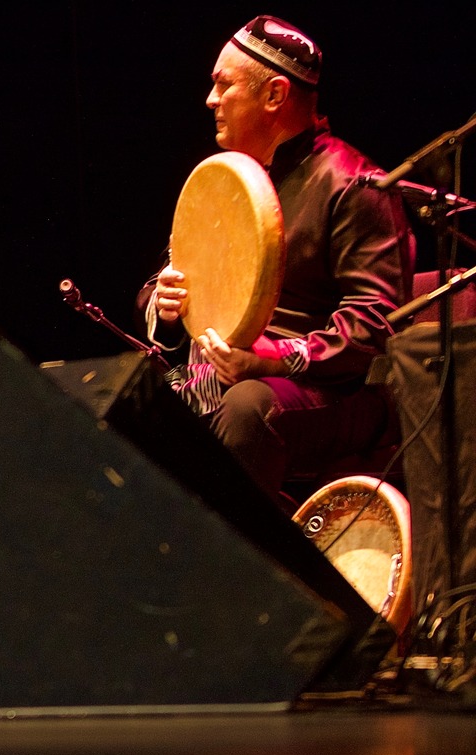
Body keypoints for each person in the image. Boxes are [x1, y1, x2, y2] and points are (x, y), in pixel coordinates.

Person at [142, 16, 411, 499]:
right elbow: (156, 285)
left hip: (330, 390)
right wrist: (167, 306)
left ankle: (232, 570)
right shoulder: (226, 181)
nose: (210, 100)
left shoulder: (353, 185)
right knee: (122, 403)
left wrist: (270, 359)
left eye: (224, 85)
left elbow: (373, 324)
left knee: (248, 406)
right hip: (216, 377)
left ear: (274, 95)